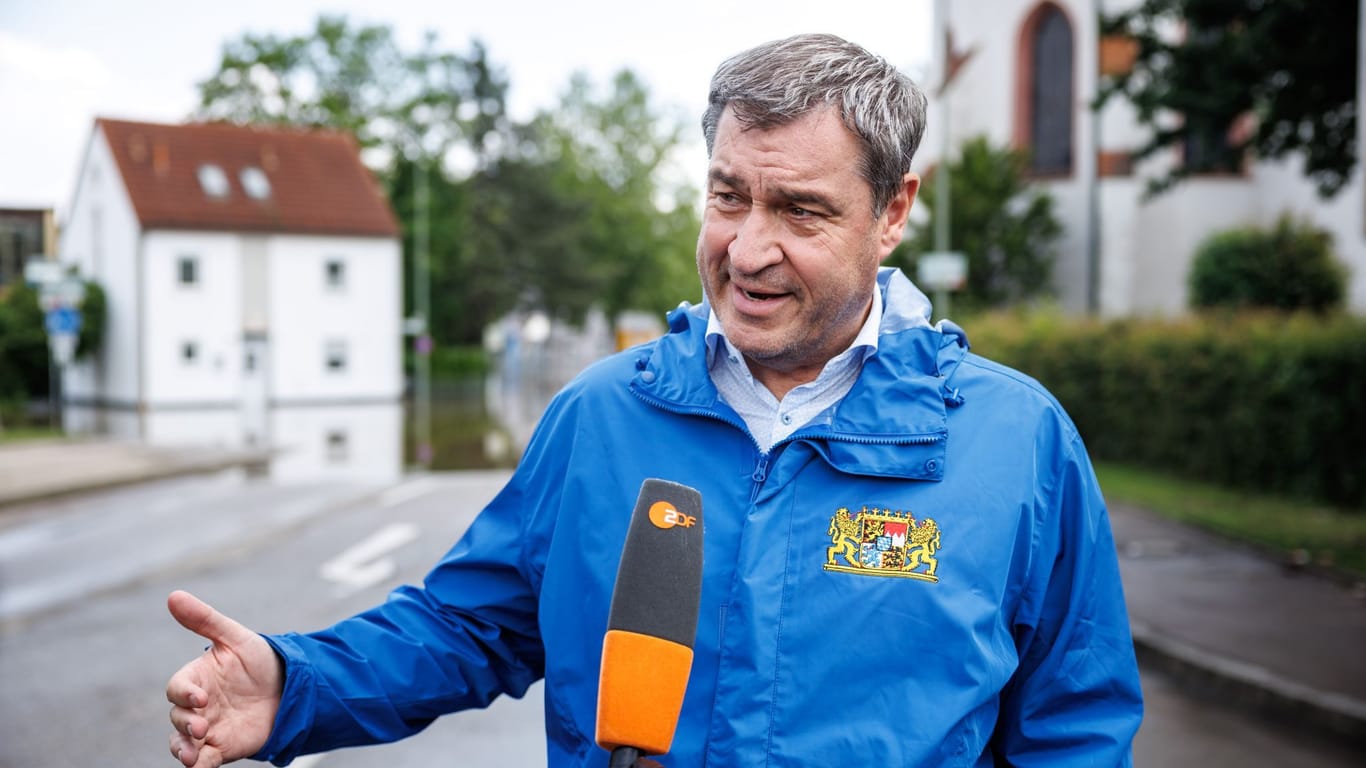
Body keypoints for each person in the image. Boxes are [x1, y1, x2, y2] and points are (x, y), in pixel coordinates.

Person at [167, 32, 1143, 767]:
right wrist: (298, 685)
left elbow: (1074, 721)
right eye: (728, 198)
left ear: (891, 213)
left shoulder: (1015, 445)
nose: (748, 250)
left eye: (800, 210)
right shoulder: (603, 417)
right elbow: (474, 625)